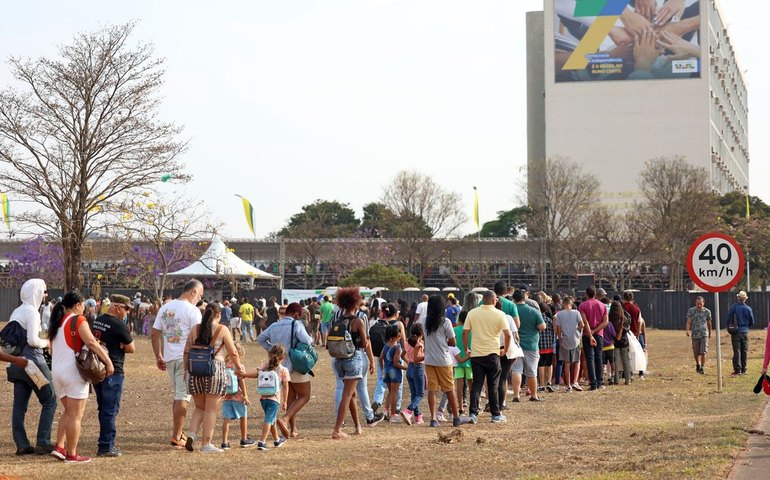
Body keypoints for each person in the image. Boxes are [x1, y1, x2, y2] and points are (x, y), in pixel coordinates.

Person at [50, 292, 115, 464]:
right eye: (83, 304)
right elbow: (92, 342)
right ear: (78, 304)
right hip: (73, 372)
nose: (85, 307)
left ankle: (60, 447)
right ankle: (72, 454)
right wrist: (107, 361)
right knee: (75, 416)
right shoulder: (78, 320)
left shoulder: (57, 322)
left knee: (68, 412)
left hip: (57, 372)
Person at [7, 279, 57, 456]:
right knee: (50, 399)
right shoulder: (33, 313)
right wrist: (47, 342)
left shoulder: (17, 311)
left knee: (19, 406)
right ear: (36, 293)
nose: (45, 295)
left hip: (14, 364)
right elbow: (33, 341)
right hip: (32, 364)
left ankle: (22, 444)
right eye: (43, 291)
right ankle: (43, 441)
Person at [151, 279, 204, 448]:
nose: (199, 299)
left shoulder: (165, 308)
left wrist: (158, 355)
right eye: (200, 295)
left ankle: (178, 432)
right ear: (193, 292)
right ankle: (176, 435)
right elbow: (197, 336)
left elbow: (154, 333)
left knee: (178, 394)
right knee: (183, 396)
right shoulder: (193, 310)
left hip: (170, 357)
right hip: (186, 358)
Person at [184, 303, 242, 453]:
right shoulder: (222, 329)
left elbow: (186, 351)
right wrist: (239, 366)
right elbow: (233, 352)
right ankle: (206, 444)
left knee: (199, 407)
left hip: (194, 371)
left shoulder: (195, 329)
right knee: (211, 409)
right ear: (218, 315)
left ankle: (192, 434)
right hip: (215, 371)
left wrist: (186, 370)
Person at [257, 302, 315, 438]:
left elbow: (260, 338)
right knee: (304, 396)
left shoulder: (274, 325)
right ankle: (285, 419)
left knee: (291, 398)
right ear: (296, 314)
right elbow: (307, 341)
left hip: (280, 367)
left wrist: (273, 351)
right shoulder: (297, 325)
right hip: (295, 365)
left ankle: (293, 429)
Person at [91, 294, 136, 457]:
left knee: (103, 408)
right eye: (126, 309)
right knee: (110, 410)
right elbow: (132, 348)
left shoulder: (98, 320)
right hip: (113, 371)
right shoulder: (119, 325)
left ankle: (105, 442)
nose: (127, 313)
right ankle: (106, 446)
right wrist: (122, 345)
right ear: (117, 307)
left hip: (97, 370)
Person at [417, 295, 471, 427]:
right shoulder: (445, 322)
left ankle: (434, 419)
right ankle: (457, 418)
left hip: (429, 360)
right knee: (449, 389)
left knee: (432, 390)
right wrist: (443, 341)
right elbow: (453, 342)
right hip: (443, 360)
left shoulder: (424, 321)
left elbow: (424, 338)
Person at [463, 290, 511, 423]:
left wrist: (467, 347)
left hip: (477, 354)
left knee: (477, 384)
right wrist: (505, 349)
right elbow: (508, 334)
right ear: (494, 300)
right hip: (492, 353)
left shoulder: (473, 313)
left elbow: (465, 332)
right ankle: (495, 414)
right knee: (493, 384)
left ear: (483, 300)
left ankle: (473, 413)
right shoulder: (500, 314)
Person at [330, 287, 369, 439]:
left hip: (339, 360)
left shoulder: (338, 320)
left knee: (351, 394)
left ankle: (358, 427)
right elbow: (365, 343)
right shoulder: (358, 321)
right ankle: (337, 430)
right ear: (355, 304)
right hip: (354, 358)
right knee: (347, 395)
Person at [240, 345, 289, 450]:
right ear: (283, 358)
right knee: (269, 419)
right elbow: (285, 386)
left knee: (272, 419)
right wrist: (285, 401)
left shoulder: (265, 365)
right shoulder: (283, 370)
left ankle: (277, 439)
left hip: (263, 398)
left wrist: (245, 374)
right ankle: (262, 442)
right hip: (274, 399)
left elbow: (256, 373)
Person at [513, 290, 545, 401]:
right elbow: (542, 326)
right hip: (531, 344)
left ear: (514, 299)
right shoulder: (534, 311)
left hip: (516, 345)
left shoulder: (512, 311)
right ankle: (533, 395)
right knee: (532, 371)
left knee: (516, 370)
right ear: (524, 298)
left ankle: (516, 395)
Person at [220, 343, 254, 449]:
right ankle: (244, 439)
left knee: (227, 419)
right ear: (238, 354)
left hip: (226, 397)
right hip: (238, 396)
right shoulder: (238, 366)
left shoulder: (223, 364)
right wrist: (245, 395)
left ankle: (224, 442)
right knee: (243, 416)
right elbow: (241, 381)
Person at [578, 286, 609, 390]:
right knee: (599, 357)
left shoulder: (582, 305)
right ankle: (600, 382)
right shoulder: (602, 305)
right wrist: (595, 331)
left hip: (587, 334)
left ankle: (593, 383)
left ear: (586, 294)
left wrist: (590, 333)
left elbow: (584, 321)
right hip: (599, 333)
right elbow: (605, 322)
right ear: (595, 294)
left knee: (590, 358)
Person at [554, 297, 584, 392]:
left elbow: (558, 329)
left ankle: (568, 385)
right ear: (571, 304)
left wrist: (560, 339)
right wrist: (578, 330)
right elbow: (582, 324)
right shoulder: (576, 312)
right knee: (577, 361)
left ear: (563, 304)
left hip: (564, 340)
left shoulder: (559, 314)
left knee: (566, 363)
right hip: (575, 339)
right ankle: (575, 381)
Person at [380, 325, 408, 424]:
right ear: (397, 335)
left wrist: (383, 368)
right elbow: (396, 363)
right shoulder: (397, 347)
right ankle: (393, 415)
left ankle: (386, 410)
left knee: (390, 391)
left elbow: (381, 358)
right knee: (394, 393)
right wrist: (407, 368)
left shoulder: (386, 345)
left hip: (386, 371)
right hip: (394, 372)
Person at [727, 291, 755, 376]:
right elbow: (752, 322)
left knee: (737, 351)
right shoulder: (748, 309)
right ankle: (743, 369)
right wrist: (746, 327)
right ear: (745, 299)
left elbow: (728, 319)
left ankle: (737, 370)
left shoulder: (733, 307)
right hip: (745, 331)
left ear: (738, 298)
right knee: (744, 351)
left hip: (736, 332)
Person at [402, 323, 425, 425]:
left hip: (410, 368)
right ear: (421, 333)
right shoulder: (419, 345)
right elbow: (416, 359)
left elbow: (403, 355)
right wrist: (426, 355)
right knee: (420, 394)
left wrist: (408, 362)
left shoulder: (408, 343)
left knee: (414, 394)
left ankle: (418, 416)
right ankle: (408, 410)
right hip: (417, 368)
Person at [685, 296, 712, 375]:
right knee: (696, 352)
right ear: (695, 303)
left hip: (704, 333)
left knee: (703, 351)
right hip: (695, 334)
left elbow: (709, 322)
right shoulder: (691, 311)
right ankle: (697, 364)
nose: (699, 305)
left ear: (703, 303)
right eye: (698, 304)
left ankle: (702, 367)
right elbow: (689, 321)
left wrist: (710, 332)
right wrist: (687, 330)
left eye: (701, 304)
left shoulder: (707, 311)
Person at [454, 310, 472, 413]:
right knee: (471, 384)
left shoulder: (454, 330)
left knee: (459, 384)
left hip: (458, 360)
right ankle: (473, 406)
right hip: (470, 359)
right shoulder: (472, 330)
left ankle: (460, 407)